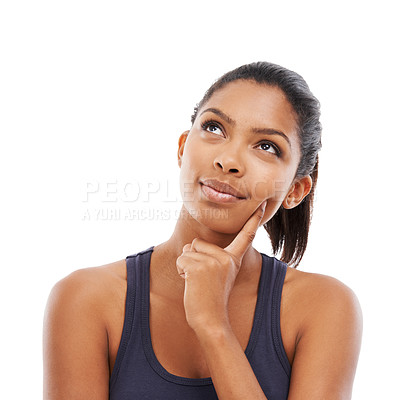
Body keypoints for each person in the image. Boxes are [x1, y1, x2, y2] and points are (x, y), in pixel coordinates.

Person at [43, 62, 363, 400]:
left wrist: (213, 326)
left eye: (266, 146)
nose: (228, 160)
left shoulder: (324, 307)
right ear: (182, 148)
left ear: (296, 190)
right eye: (214, 127)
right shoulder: (85, 299)